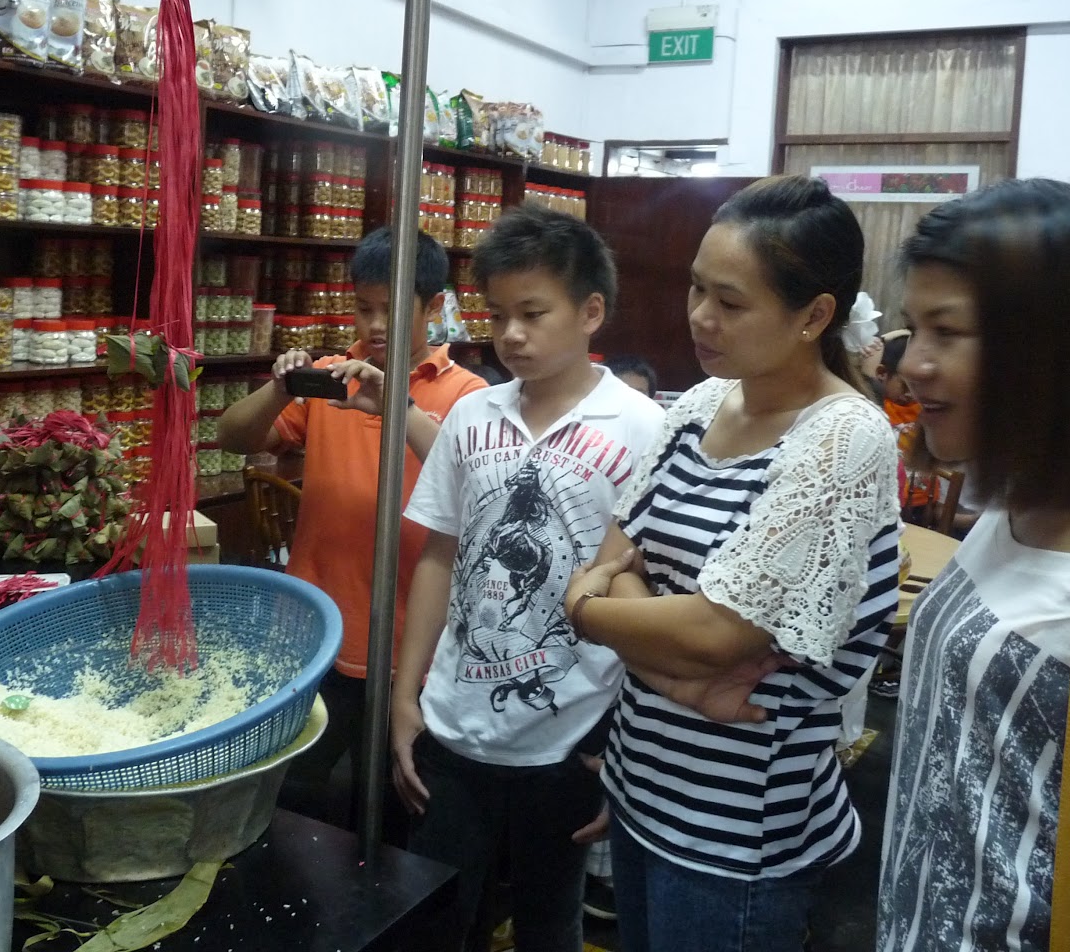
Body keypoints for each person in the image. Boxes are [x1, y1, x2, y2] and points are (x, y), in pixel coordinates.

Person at [566, 175, 900, 952]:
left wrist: (585, 610)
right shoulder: (700, 404)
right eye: (696, 289)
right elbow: (617, 555)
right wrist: (677, 667)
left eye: (730, 301)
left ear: (814, 316)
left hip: (737, 831)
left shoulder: (843, 437)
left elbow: (716, 633)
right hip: (641, 780)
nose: (700, 317)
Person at [877, 179, 1070, 950]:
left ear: (1056, 348)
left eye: (947, 332)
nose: (914, 364)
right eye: (913, 329)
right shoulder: (1016, 501)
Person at [392, 205, 665, 952]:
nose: (510, 334)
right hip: (454, 727)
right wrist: (405, 695)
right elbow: (440, 556)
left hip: (570, 736)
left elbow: (649, 597)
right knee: (438, 918)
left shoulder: (643, 429)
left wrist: (622, 744)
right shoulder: (471, 415)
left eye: (533, 313)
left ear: (591, 312)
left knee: (549, 924)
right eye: (497, 314)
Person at [215, 226, 484, 829]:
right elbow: (233, 437)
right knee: (288, 800)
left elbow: (479, 486)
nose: (376, 324)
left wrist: (398, 409)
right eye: (364, 307)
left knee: (398, 812)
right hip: (314, 636)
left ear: (435, 307)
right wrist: (279, 388)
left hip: (413, 650)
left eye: (393, 309)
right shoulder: (331, 378)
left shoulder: (468, 395)